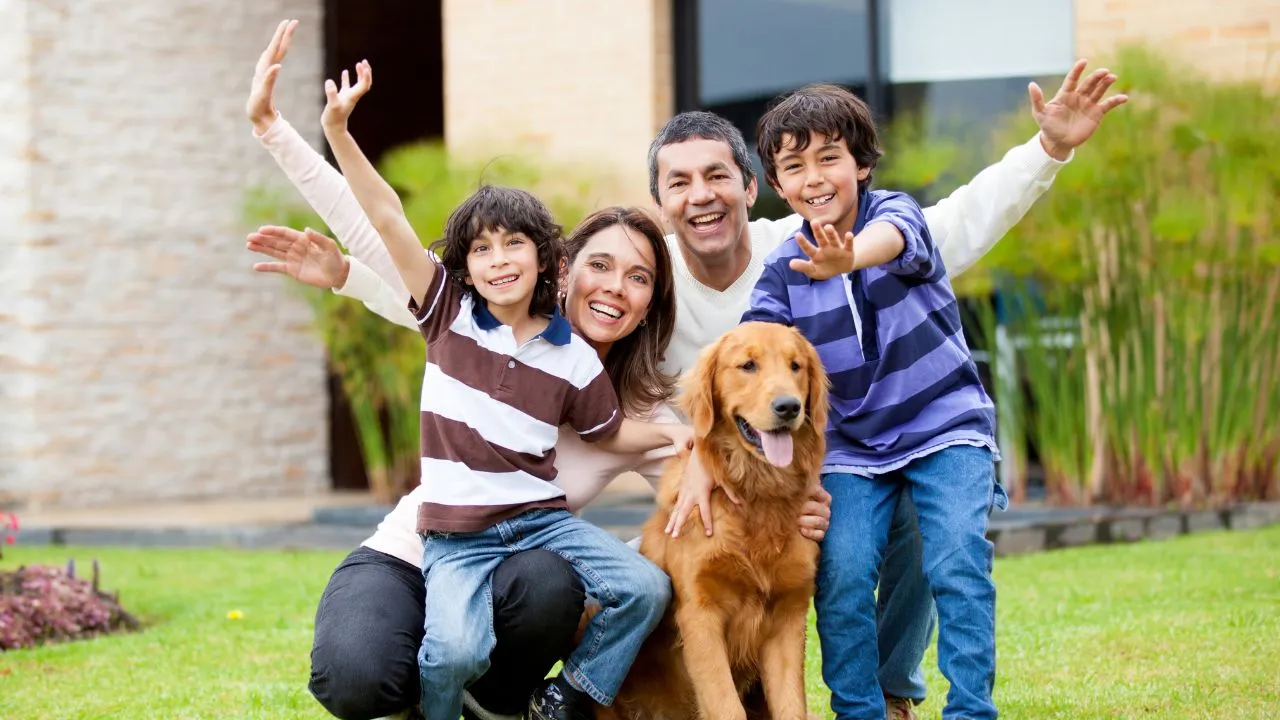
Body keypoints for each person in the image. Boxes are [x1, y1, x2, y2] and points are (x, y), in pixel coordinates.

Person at [244, 19, 1126, 720]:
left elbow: (948, 228)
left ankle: (887, 694)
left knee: (870, 502)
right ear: (572, 262)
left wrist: (1046, 151)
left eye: (717, 177)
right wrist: (282, 135)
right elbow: (381, 245)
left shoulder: (788, 260)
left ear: (750, 187)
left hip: (527, 556)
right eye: (676, 186)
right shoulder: (504, 320)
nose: (617, 285)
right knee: (363, 678)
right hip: (423, 545)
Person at [315, 56, 697, 720]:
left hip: (537, 529)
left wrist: (684, 438)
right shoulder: (449, 315)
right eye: (482, 251)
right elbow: (384, 217)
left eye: (637, 277)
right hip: (449, 538)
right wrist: (340, 134)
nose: (499, 261)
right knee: (447, 652)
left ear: (545, 258)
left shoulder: (573, 358)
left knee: (644, 587)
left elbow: (612, 431)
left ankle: (569, 696)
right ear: (570, 270)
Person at [739, 83, 1004, 719]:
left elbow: (889, 238)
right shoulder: (780, 270)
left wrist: (848, 256)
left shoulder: (895, 215)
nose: (814, 177)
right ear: (778, 182)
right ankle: (859, 711)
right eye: (794, 166)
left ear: (861, 163)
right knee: (844, 576)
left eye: (829, 158)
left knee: (957, 560)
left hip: (946, 424)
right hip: (853, 446)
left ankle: (971, 711)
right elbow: (757, 350)